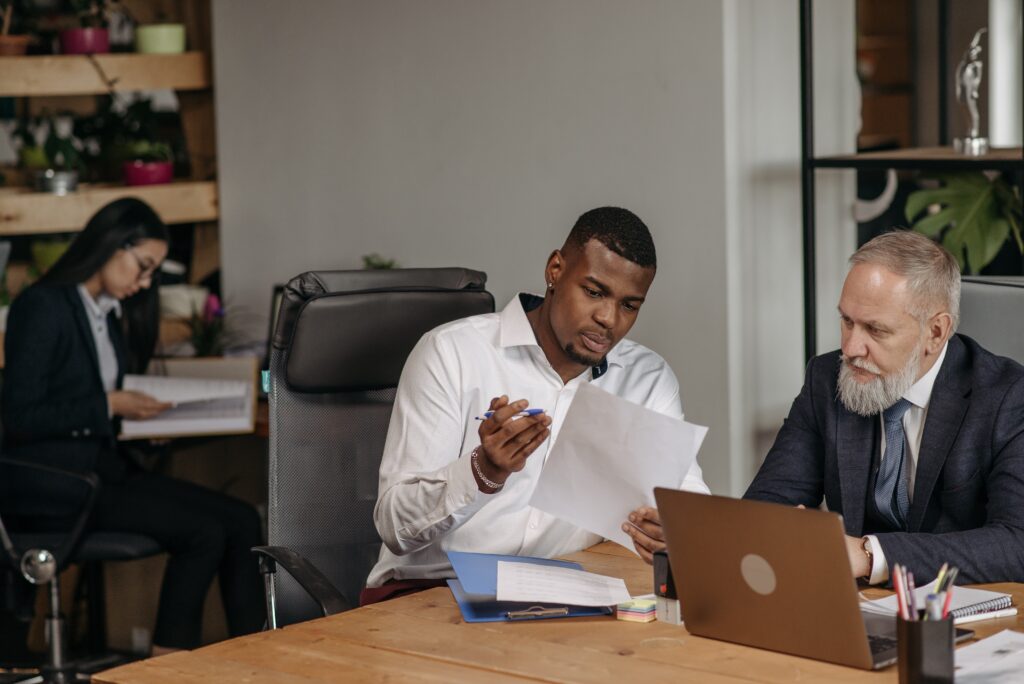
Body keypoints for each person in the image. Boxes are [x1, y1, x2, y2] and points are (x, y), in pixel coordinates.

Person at [364, 206, 709, 604]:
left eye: (629, 305)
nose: (608, 318)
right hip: (430, 594)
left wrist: (674, 531)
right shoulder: (452, 353)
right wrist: (481, 473)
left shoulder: (647, 379)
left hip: (560, 595)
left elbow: (686, 504)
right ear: (555, 270)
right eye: (594, 292)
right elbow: (394, 526)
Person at [2, 198, 264, 652]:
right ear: (110, 245)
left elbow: (93, 406)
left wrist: (137, 420)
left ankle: (259, 659)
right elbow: (21, 417)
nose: (144, 283)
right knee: (203, 533)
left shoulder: (106, 314)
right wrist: (109, 404)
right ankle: (166, 671)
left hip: (105, 470)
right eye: (142, 267)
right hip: (58, 483)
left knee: (241, 520)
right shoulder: (43, 307)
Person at [744, 230, 1024, 585]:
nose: (850, 348)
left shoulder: (1008, 397)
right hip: (852, 610)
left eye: (875, 330)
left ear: (936, 332)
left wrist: (869, 555)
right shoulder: (825, 378)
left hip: (959, 619)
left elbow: (1017, 543)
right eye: (846, 321)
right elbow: (766, 506)